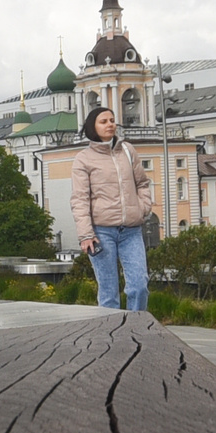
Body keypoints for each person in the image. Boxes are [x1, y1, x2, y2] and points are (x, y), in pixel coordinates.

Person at [70, 104, 154, 312]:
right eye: (104, 121)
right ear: (93, 127)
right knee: (108, 293)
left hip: (131, 231)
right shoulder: (83, 159)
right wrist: (86, 235)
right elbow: (80, 199)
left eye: (112, 120)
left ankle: (135, 330)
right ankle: (111, 337)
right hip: (101, 233)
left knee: (139, 286)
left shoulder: (127, 150)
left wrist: (143, 207)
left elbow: (142, 183)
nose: (110, 124)